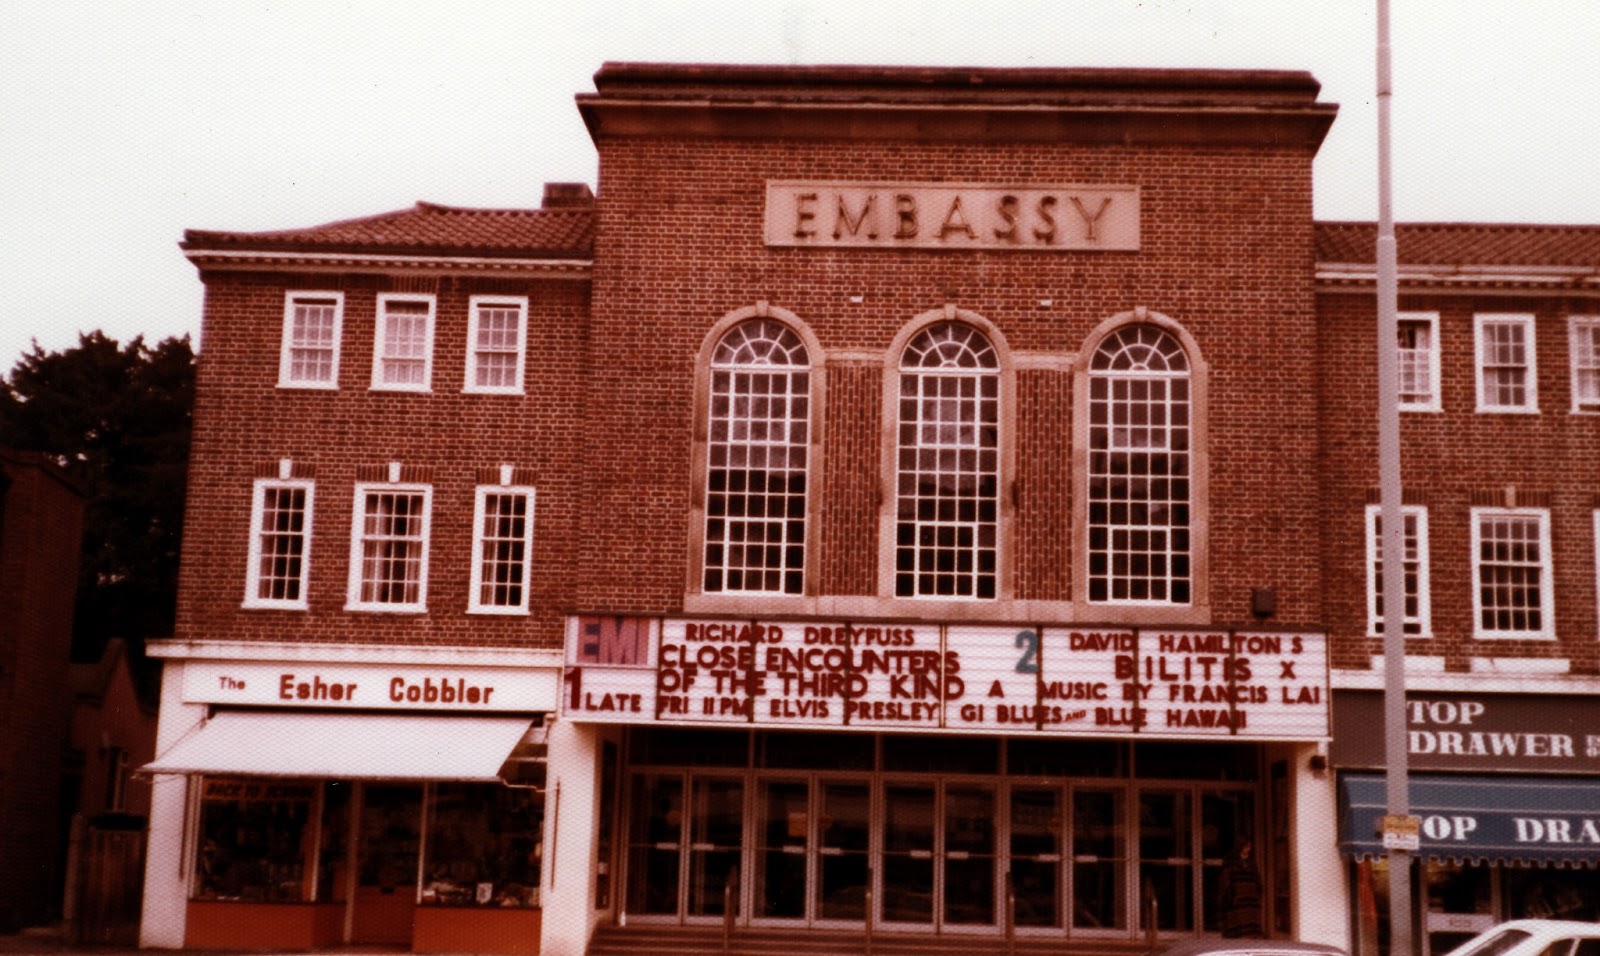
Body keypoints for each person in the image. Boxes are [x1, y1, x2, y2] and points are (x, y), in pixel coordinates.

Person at [1219, 840, 1264, 938]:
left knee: (1250, 919)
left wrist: (1258, 891)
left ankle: (1251, 936)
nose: (1248, 849)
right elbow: (1226, 879)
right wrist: (1229, 894)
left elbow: (1256, 878)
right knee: (1238, 919)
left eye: (1249, 847)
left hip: (1250, 898)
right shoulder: (1231, 861)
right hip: (1237, 896)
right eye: (1246, 847)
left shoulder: (1251, 862)